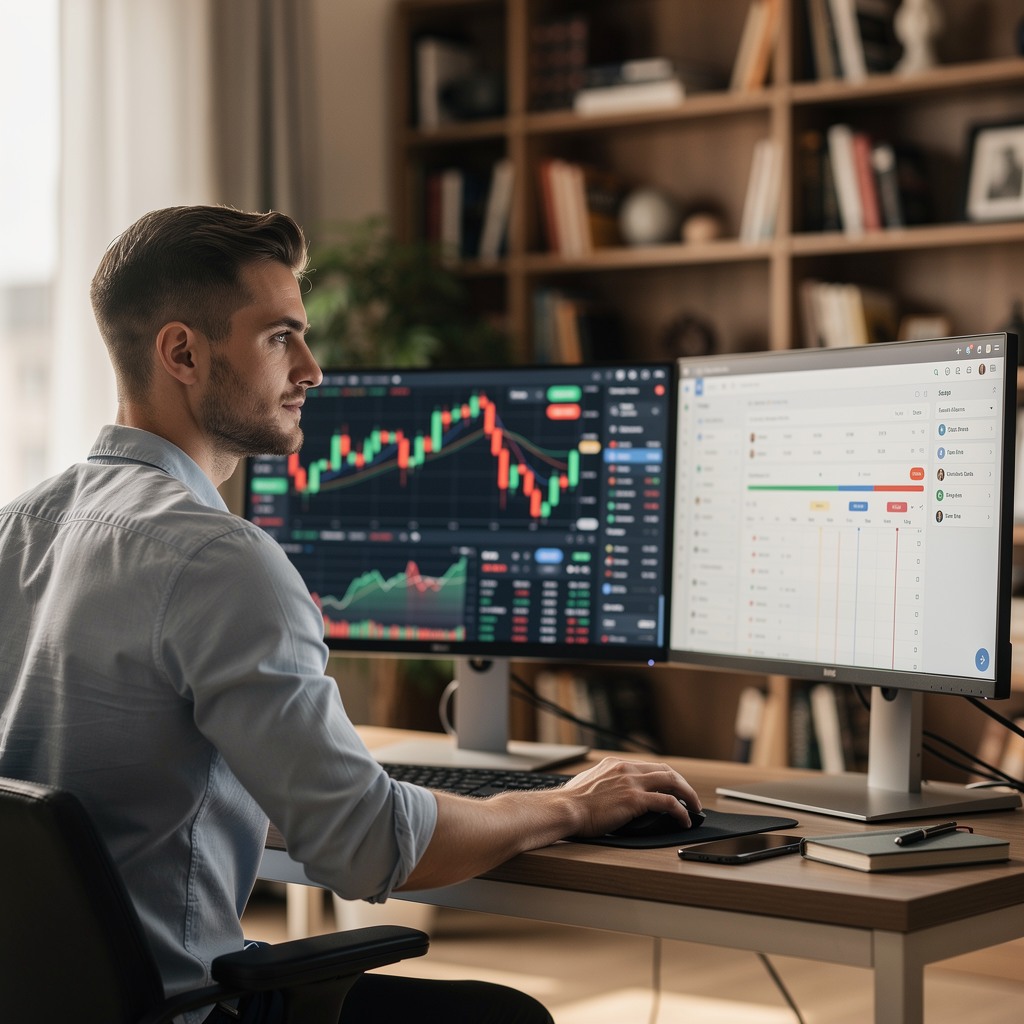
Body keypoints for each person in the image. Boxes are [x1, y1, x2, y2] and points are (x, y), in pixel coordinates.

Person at [0, 205, 701, 1024]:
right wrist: (567, 803)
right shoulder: (220, 561)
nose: (313, 367)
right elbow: (364, 846)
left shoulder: (19, 526)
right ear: (182, 353)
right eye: (279, 337)